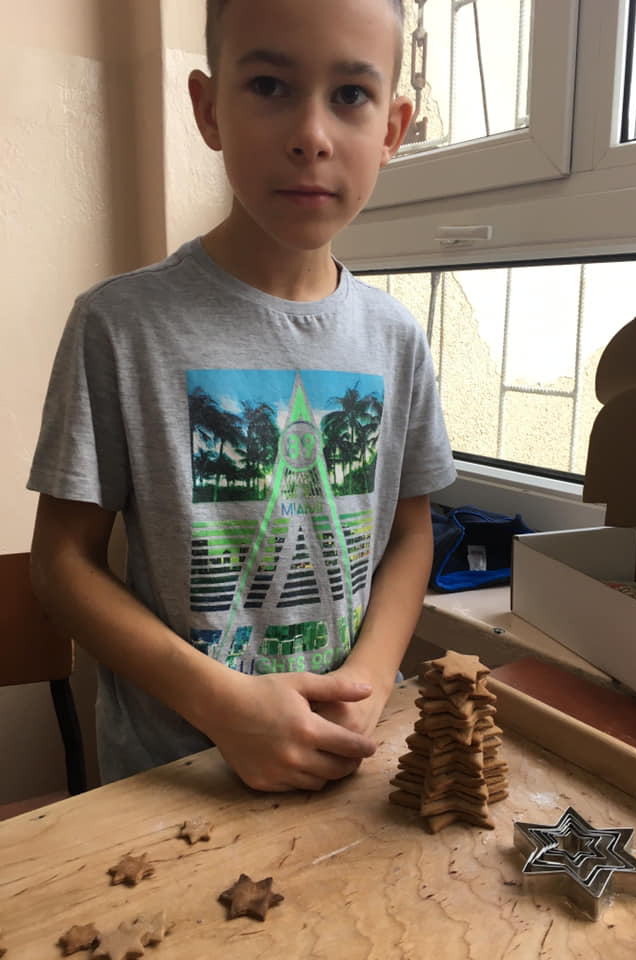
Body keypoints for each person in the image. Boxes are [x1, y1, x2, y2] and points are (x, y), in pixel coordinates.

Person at [28, 0, 456, 792]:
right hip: (173, 782)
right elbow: (61, 561)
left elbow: (410, 534)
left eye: (351, 95)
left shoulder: (398, 338)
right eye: (268, 85)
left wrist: (367, 685)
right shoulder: (118, 325)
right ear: (208, 108)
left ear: (392, 130)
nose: (311, 135)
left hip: (349, 771)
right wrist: (223, 706)